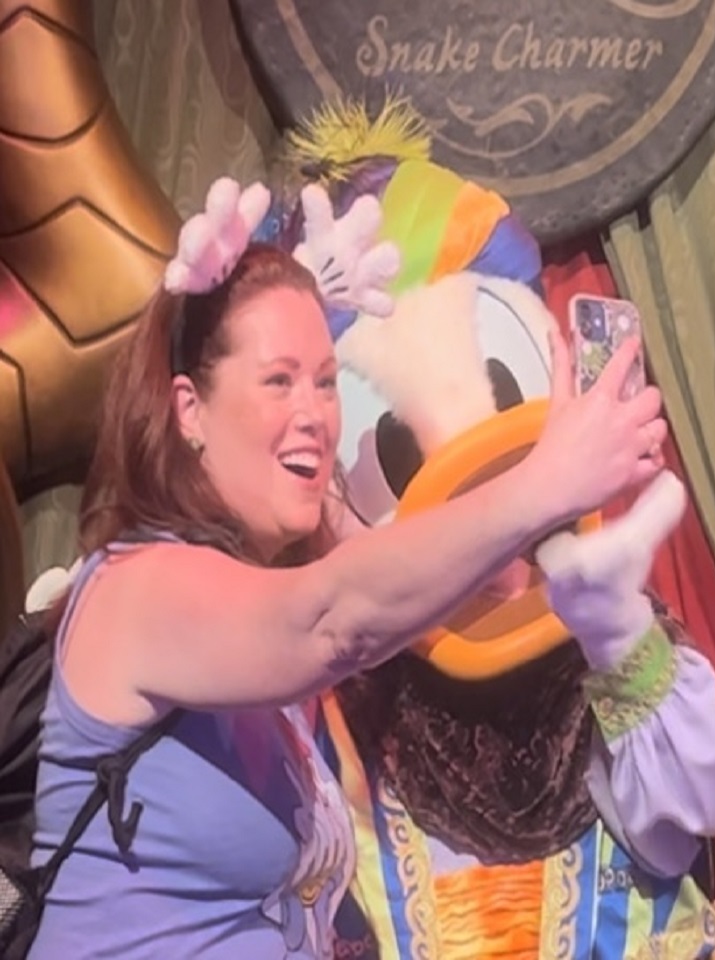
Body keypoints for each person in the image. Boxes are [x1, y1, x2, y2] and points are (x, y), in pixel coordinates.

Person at [28, 177, 667, 960]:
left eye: (327, 382)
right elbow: (333, 621)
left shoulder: (270, 653)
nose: (314, 413)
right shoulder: (137, 588)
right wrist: (544, 484)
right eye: (278, 379)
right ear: (189, 410)